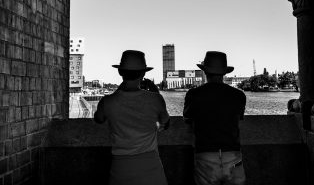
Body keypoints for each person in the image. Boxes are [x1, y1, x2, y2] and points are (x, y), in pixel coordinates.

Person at [94, 50, 170, 185]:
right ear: (143, 73)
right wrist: (155, 91)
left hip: (121, 167)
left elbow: (98, 119)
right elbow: (165, 122)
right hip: (151, 165)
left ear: (120, 72)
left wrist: (119, 90)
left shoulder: (108, 101)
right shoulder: (155, 99)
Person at [183, 51, 246, 185]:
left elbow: (187, 119)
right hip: (233, 154)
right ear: (224, 73)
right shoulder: (239, 95)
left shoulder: (194, 94)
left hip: (205, 155)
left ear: (205, 72)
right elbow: (239, 121)